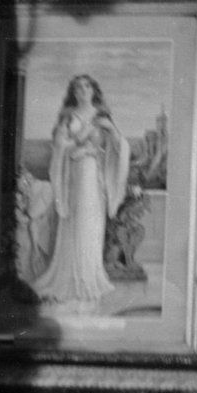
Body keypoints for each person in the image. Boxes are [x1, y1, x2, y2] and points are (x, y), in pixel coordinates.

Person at [31, 73, 129, 306]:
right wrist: (79, 146)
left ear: (93, 90)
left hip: (94, 179)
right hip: (74, 177)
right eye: (78, 88)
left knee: (90, 224)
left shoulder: (102, 116)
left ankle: (88, 277)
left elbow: (118, 146)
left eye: (86, 87)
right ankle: (71, 279)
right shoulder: (68, 117)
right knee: (75, 224)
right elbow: (59, 146)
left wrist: (111, 132)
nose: (82, 91)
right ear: (73, 92)